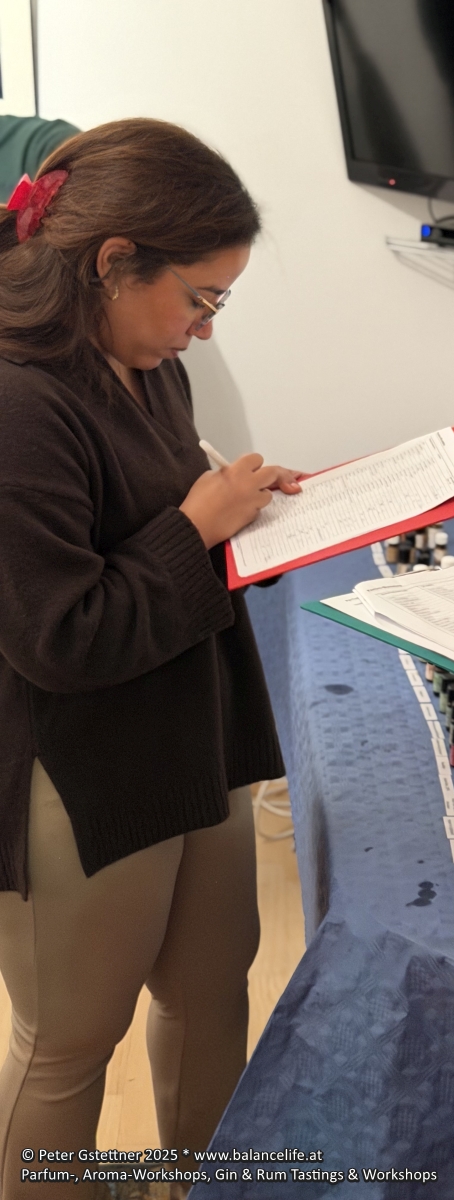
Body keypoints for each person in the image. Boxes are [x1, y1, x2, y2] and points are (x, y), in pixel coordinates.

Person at [0, 118, 302, 1200]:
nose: (206, 330)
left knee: (211, 988)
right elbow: (63, 633)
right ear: (113, 262)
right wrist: (199, 526)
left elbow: (160, 532)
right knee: (70, 1042)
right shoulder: (18, 398)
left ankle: (193, 1186)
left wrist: (248, 522)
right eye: (200, 299)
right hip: (81, 767)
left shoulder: (145, 361)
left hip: (188, 725)